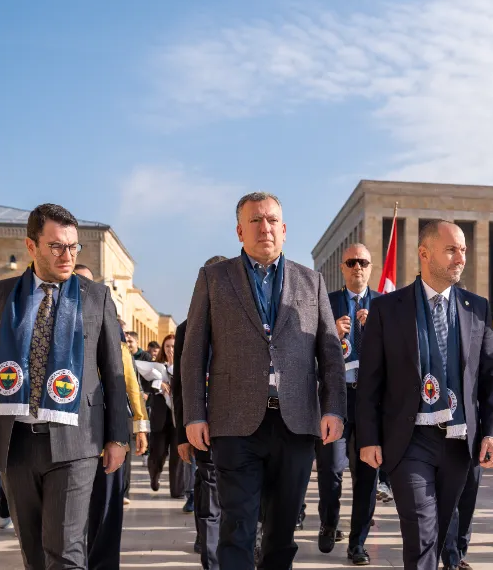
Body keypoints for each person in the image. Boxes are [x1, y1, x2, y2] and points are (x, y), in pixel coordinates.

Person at [0, 203, 129, 569]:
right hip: (15, 442)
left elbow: (113, 373)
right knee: (34, 554)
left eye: (73, 246)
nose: (67, 255)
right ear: (31, 246)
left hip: (76, 440)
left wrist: (119, 435)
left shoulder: (95, 297)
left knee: (66, 551)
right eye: (56, 246)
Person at [182, 192, 346, 569]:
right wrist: (194, 414)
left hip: (297, 424)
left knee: (282, 533)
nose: (265, 227)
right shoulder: (213, 279)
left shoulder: (312, 282)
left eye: (272, 220)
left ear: (284, 230)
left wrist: (334, 407)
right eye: (255, 221)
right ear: (240, 231)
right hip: (235, 424)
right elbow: (194, 352)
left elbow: (330, 353)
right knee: (236, 528)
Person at [357, 219, 493, 570]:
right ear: (425, 254)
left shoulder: (477, 307)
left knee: (440, 531)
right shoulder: (388, 309)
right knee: (421, 531)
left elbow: (491, 376)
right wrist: (368, 438)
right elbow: (370, 380)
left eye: (463, 250)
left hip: (458, 441)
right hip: (409, 439)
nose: (460, 258)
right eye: (451, 249)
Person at [78, 263, 150, 570]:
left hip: (107, 429)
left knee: (106, 505)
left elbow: (130, 383)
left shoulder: (112, 329)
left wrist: (140, 427)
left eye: (89, 285)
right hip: (66, 432)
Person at [317, 243, 380, 565]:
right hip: (335, 398)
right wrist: (331, 332)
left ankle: (358, 543)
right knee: (330, 469)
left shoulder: (385, 304)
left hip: (369, 401)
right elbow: (310, 349)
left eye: (363, 262)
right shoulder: (326, 303)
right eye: (351, 262)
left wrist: (376, 331)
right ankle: (329, 522)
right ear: (342, 268)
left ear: (371, 267)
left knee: (367, 473)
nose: (357, 268)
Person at [172, 255, 227, 570]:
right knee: (208, 497)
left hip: (241, 426)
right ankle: (211, 561)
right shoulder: (186, 329)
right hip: (202, 425)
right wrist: (182, 432)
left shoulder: (246, 323)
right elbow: (181, 383)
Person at [146, 335, 192, 504]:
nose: (170, 349)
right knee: (157, 453)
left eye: (173, 346)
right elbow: (145, 385)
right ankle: (154, 475)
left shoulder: (183, 365)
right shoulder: (156, 367)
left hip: (177, 418)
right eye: (167, 347)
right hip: (160, 418)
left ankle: (177, 490)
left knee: (178, 455)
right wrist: (159, 384)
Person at [441, 463, 482, 570]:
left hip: (474, 451)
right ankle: (451, 559)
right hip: (449, 451)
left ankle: (459, 555)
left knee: (468, 502)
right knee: (450, 502)